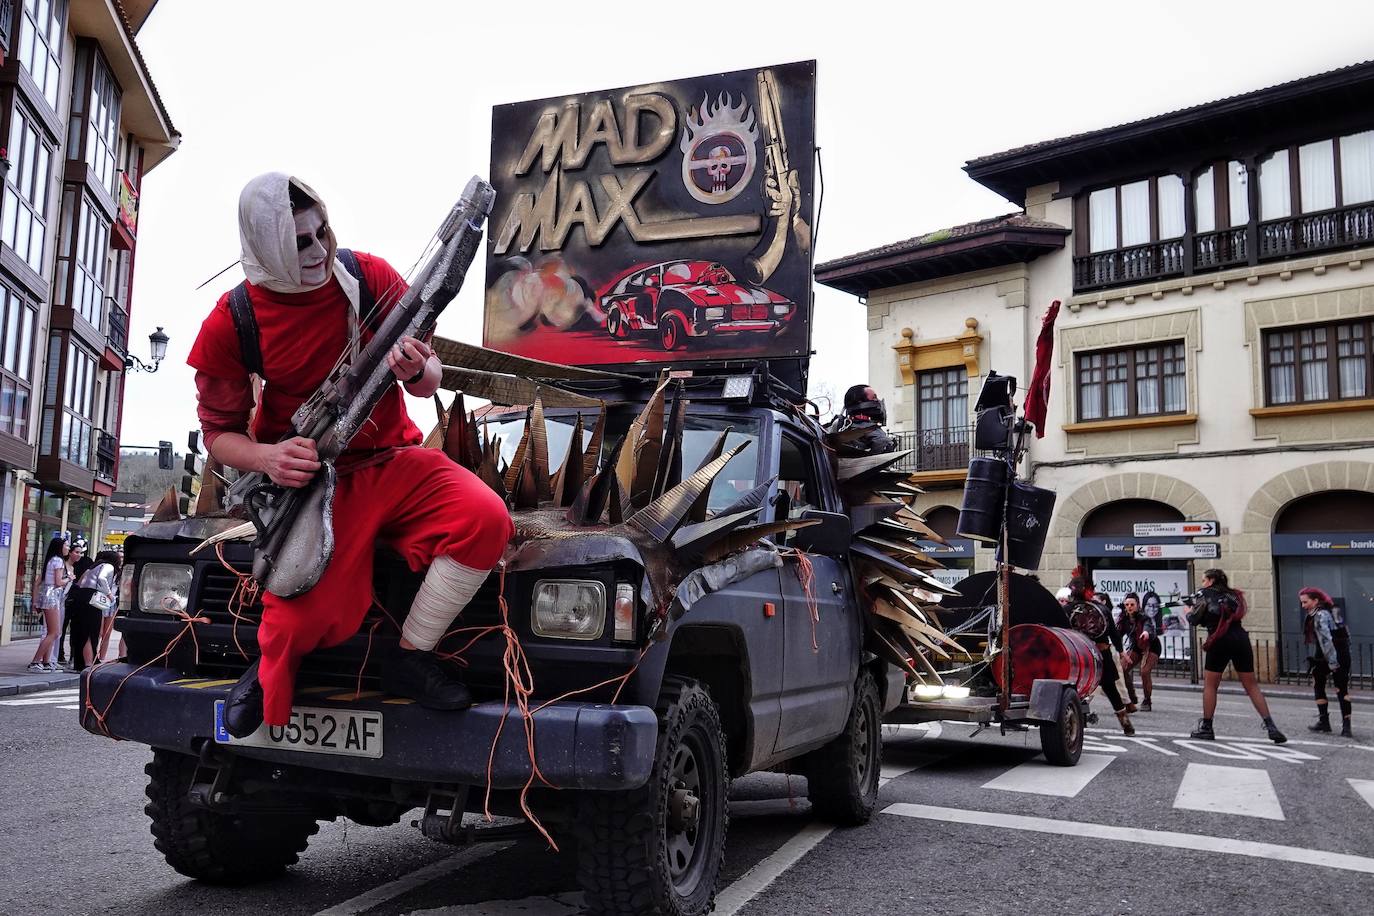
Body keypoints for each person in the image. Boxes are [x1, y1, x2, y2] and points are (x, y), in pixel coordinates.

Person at [189, 173, 514, 737]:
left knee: (485, 520)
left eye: (321, 232)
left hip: (394, 460)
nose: (318, 252)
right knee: (297, 620)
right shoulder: (233, 319)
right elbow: (218, 435)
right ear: (265, 247)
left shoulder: (368, 276)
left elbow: (427, 375)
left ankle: (411, 654)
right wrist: (268, 459)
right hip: (311, 482)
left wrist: (419, 370)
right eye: (298, 242)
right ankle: (267, 674)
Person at [1187, 568, 1286, 743]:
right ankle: (1270, 725)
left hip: (1219, 639)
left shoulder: (1204, 593)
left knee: (1210, 685)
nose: (1202, 583)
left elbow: (1194, 619)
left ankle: (1207, 727)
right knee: (1251, 685)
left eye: (1204, 580)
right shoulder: (1234, 595)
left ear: (1210, 580)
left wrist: (1188, 610)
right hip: (1240, 637)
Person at [1066, 576, 1134, 735]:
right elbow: (1114, 634)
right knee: (1111, 689)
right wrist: (1121, 651)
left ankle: (1078, 721)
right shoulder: (1102, 609)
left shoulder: (1067, 610)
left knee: (1074, 688)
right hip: (1101, 654)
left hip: (1079, 654)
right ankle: (1125, 723)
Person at [1300, 586, 1353, 738]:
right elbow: (1345, 632)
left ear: (1316, 600)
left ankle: (1325, 722)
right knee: (1341, 688)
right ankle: (1345, 726)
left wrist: (1333, 663)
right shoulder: (1333, 610)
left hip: (1327, 655)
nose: (1303, 606)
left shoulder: (1319, 615)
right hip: (1342, 653)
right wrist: (1346, 655)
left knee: (1320, 685)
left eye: (1305, 602)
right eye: (1302, 603)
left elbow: (1325, 640)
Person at [67, 550, 119, 671]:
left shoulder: (93, 567)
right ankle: (89, 663)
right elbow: (102, 578)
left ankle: (82, 662)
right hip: (92, 600)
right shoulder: (108, 566)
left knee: (83, 632)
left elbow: (81, 583)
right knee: (91, 633)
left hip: (82, 598)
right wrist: (110, 595)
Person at [27, 535, 72, 672]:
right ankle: (35, 662)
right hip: (53, 596)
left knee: (50, 631)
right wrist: (69, 578)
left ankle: (46, 662)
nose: (68, 548)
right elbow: (58, 582)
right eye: (66, 545)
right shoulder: (58, 561)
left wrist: (35, 601)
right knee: (54, 632)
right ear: (60, 547)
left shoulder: (50, 560)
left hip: (47, 596)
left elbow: (37, 583)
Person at [1117, 592, 1161, 712]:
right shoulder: (1123, 619)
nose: (1129, 607)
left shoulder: (1144, 617)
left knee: (1145, 671)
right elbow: (1117, 635)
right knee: (1121, 668)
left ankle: (1147, 700)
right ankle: (1131, 696)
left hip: (1151, 646)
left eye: (1132, 604)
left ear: (1138, 605)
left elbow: (1148, 626)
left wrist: (1146, 633)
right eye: (1127, 604)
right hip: (1136, 646)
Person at [826, 384, 895, 457]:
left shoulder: (837, 424)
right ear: (860, 402)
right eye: (874, 397)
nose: (878, 401)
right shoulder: (877, 434)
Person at [58, 538, 92, 667]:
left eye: (81, 552)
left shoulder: (86, 562)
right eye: (76, 551)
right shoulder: (64, 564)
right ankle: (61, 654)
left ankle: (73, 655)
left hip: (76, 600)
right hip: (66, 599)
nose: (79, 554)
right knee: (60, 629)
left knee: (74, 630)